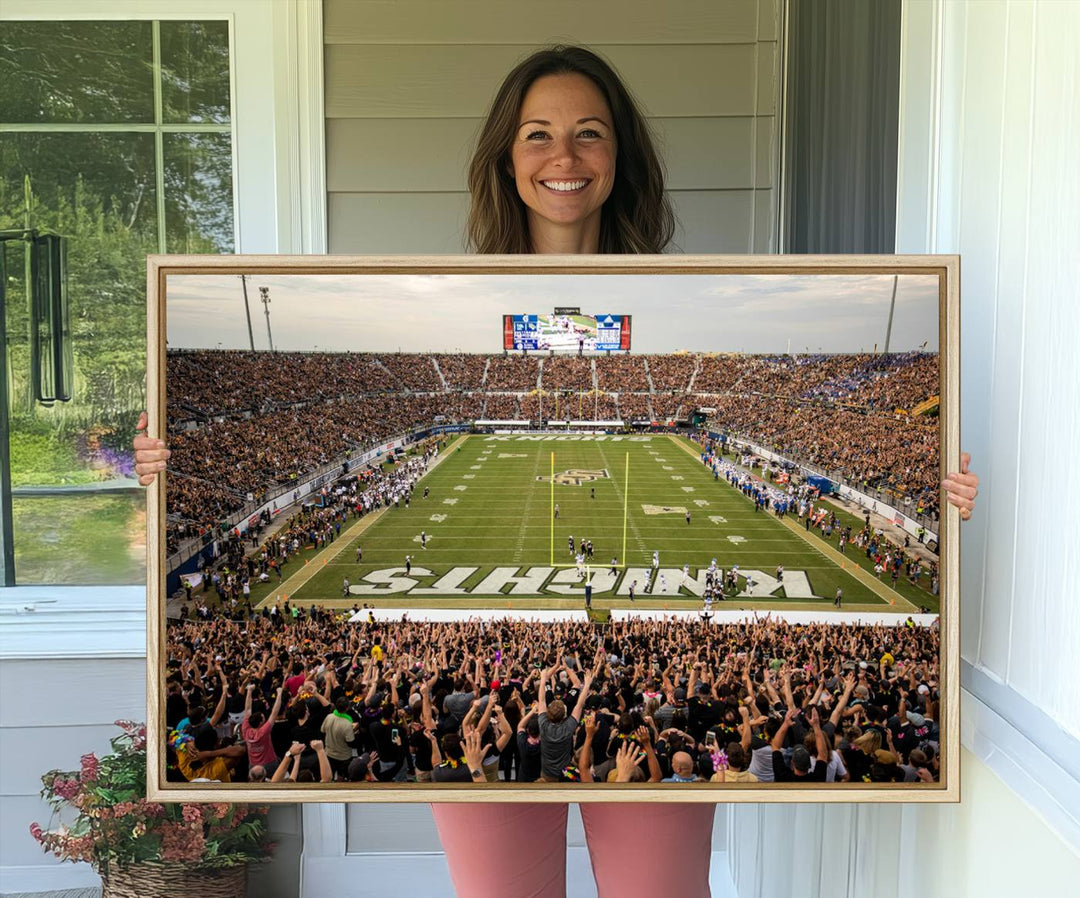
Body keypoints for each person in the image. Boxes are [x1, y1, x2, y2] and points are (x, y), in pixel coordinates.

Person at [134, 43, 981, 898]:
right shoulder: (452, 292)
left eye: (590, 133)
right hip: (504, 721)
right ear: (507, 157)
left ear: (621, 157)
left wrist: (945, 501)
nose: (564, 157)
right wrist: (166, 462)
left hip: (633, 705)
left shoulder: (678, 294)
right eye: (537, 134)